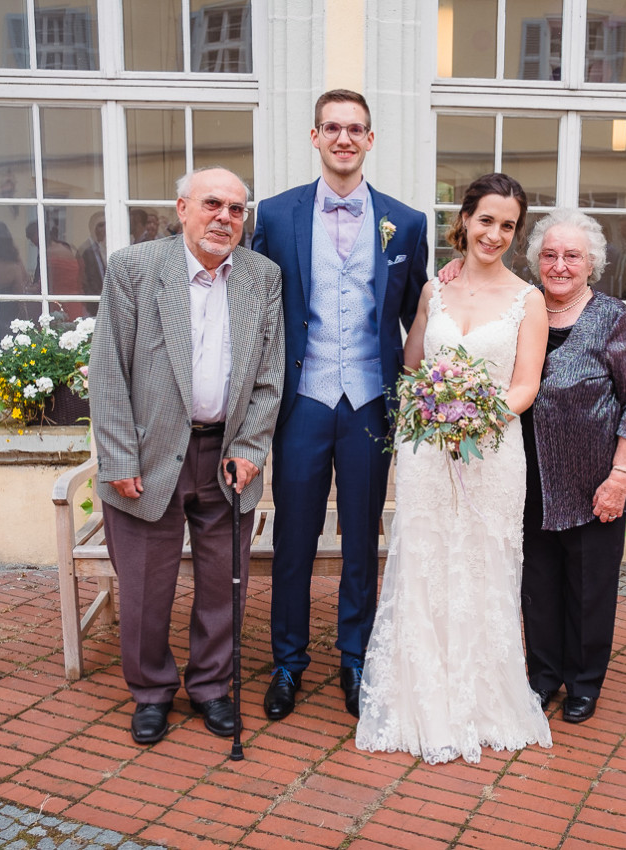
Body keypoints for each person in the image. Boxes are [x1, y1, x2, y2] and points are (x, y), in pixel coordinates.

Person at [355, 173, 551, 764]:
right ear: (464, 219)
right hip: (425, 450)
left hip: (491, 450)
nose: (494, 234)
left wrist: (475, 415)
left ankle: (481, 698)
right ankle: (418, 693)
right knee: (425, 557)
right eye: (486, 219)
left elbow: (525, 385)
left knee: (482, 563)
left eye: (508, 225)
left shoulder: (528, 299)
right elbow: (414, 364)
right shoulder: (432, 292)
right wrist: (434, 402)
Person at [89, 166, 284, 745]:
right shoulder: (136, 268)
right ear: (182, 208)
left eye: (237, 209)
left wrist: (251, 447)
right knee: (147, 585)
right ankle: (151, 693)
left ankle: (210, 687)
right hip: (148, 459)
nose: (225, 218)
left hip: (225, 455)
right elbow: (107, 372)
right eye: (212, 204)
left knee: (225, 583)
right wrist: (120, 458)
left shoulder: (262, 276)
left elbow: (270, 376)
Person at [251, 89, 429, 720]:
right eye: (333, 127)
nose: (344, 138)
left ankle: (355, 659)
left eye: (356, 129)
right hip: (301, 402)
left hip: (370, 404)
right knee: (292, 541)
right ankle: (287, 664)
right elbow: (258, 313)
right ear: (315, 135)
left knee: (361, 538)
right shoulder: (274, 216)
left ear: (371, 139)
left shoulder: (406, 223)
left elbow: (418, 317)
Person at [519, 208, 626, 723]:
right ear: (536, 262)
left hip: (595, 483)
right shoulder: (524, 312)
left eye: (572, 256)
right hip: (530, 480)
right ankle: (543, 677)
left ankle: (584, 681)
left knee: (590, 590)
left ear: (591, 263)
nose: (559, 265)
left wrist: (620, 477)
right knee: (539, 587)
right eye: (549, 255)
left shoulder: (611, 318)